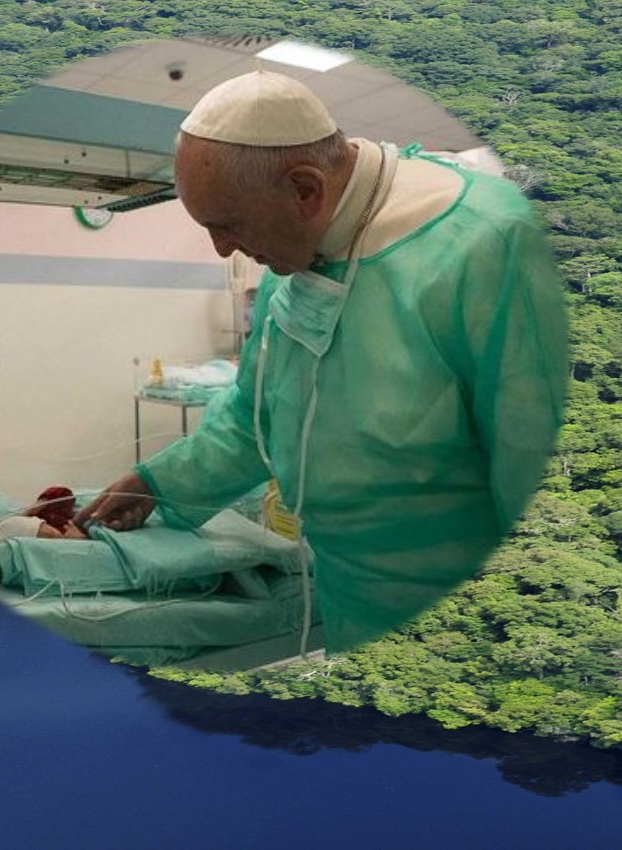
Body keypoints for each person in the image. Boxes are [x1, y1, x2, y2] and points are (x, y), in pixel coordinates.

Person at [77, 70, 567, 652]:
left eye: (226, 225)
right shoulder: (299, 261)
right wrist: (155, 483)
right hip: (350, 604)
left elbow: (547, 478)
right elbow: (255, 417)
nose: (222, 250)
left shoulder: (491, 244)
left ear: (305, 189)